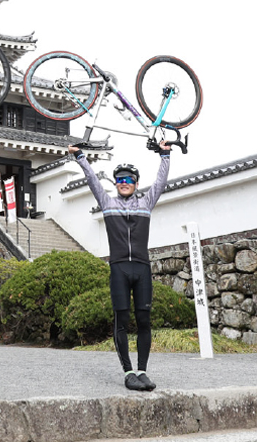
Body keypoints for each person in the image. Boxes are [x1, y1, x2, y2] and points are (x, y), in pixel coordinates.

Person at [68, 139, 171, 392]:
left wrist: (166, 155)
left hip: (141, 268)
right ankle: (128, 372)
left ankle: (143, 371)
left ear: (136, 183)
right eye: (120, 179)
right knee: (122, 321)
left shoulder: (146, 204)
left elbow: (160, 183)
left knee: (144, 321)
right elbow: (93, 180)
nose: (124, 183)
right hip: (119, 269)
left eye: (129, 179)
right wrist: (80, 156)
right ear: (115, 184)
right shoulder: (108, 204)